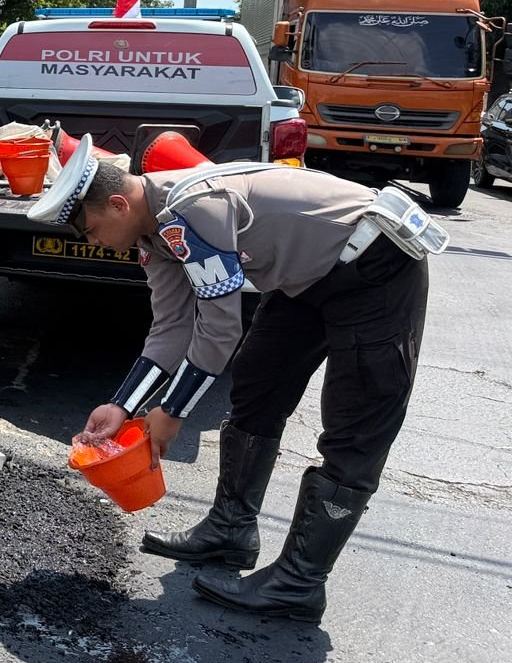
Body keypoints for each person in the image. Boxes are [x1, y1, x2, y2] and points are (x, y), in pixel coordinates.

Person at [35, 135, 444, 623]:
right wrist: (122, 407)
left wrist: (172, 412)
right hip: (308, 276)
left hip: (376, 264)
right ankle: (230, 529)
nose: (94, 242)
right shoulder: (152, 234)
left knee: (355, 425)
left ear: (119, 204)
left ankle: (299, 583)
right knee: (257, 384)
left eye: (92, 230)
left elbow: (219, 327)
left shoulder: (191, 212)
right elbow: (171, 327)